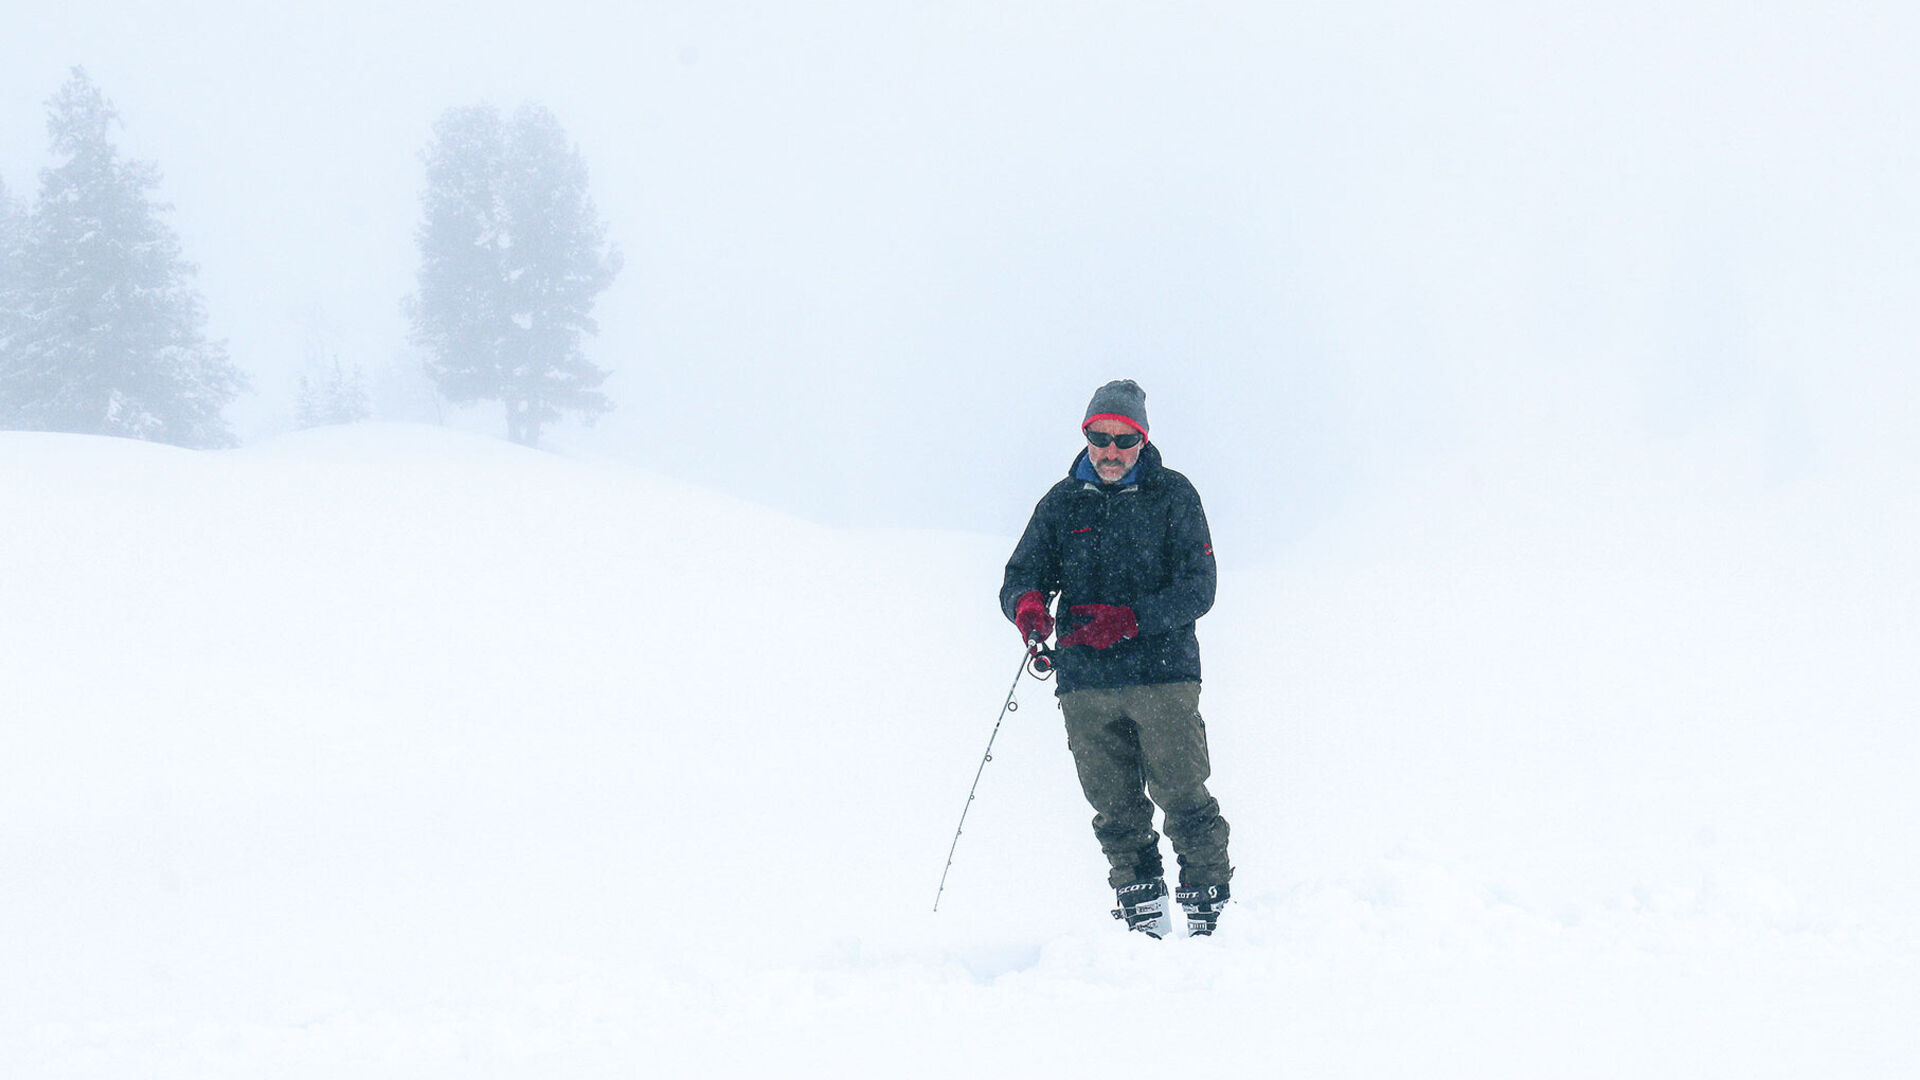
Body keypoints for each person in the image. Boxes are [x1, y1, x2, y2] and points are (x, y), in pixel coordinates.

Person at [1000, 379, 1232, 938]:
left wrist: (1130, 621)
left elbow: (1200, 588)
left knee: (1182, 794)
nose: (1108, 450)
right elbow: (1021, 576)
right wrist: (1029, 609)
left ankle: (1211, 911)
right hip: (1084, 684)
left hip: (1164, 677)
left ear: (1141, 441)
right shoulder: (1060, 503)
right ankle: (1142, 917)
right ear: (1086, 437)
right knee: (1115, 808)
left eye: (1121, 440)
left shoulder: (1174, 495)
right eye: (1098, 437)